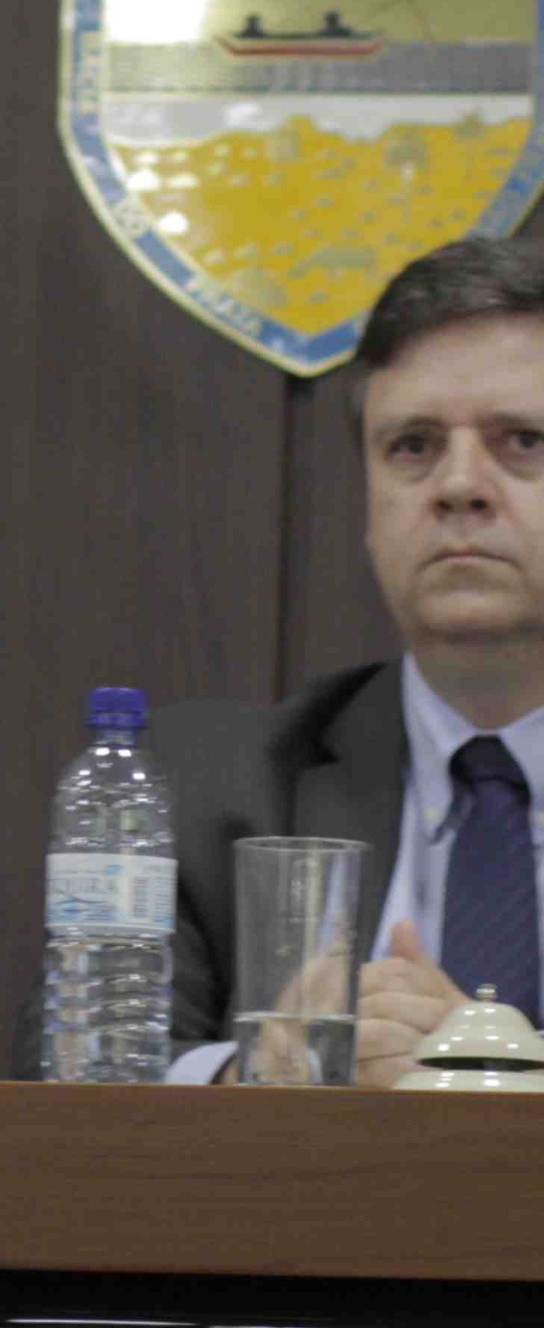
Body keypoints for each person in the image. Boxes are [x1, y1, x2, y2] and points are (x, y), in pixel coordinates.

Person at [142, 233, 544, 1087]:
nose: (458, 486)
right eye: (413, 446)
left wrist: (504, 1074)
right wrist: (260, 1076)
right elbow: (67, 1068)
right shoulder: (212, 786)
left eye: (523, 440)